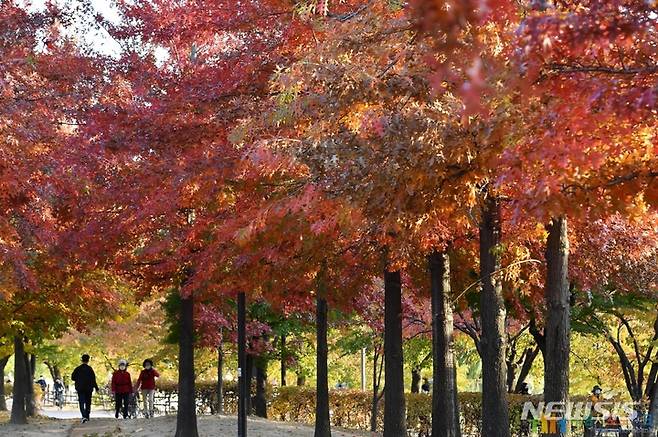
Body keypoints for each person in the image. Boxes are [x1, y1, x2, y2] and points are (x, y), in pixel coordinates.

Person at [71, 354, 99, 423]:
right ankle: (87, 415)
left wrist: (78, 379)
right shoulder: (90, 369)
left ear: (82, 360)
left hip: (80, 388)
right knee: (88, 402)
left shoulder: (77, 369)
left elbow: (72, 378)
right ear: (88, 360)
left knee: (81, 402)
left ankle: (83, 416)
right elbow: (93, 379)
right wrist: (96, 388)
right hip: (89, 388)